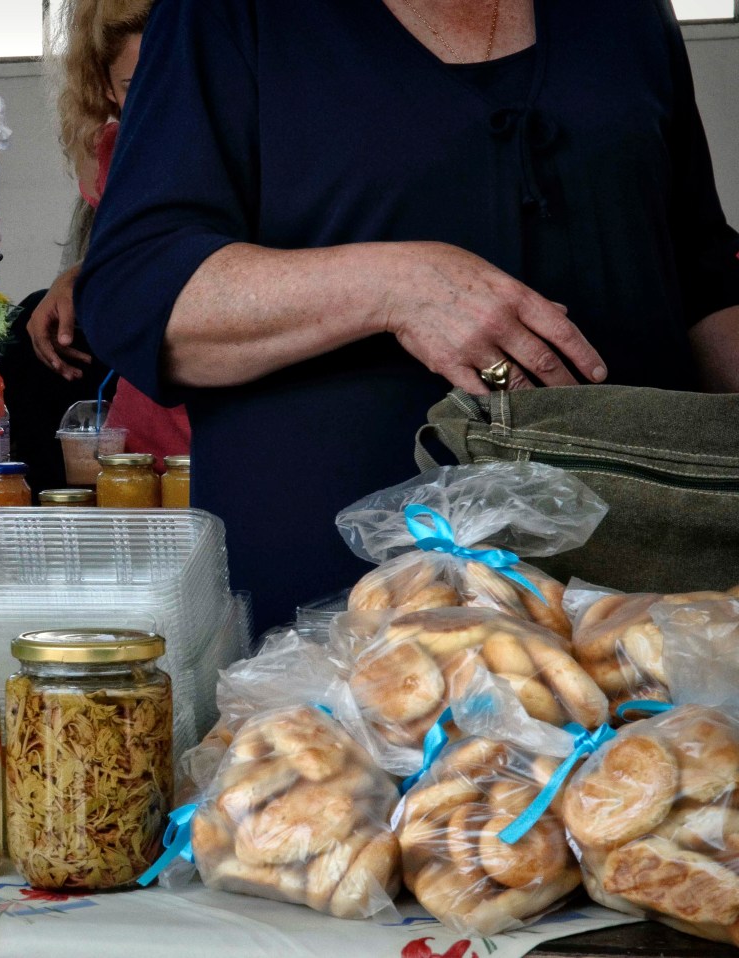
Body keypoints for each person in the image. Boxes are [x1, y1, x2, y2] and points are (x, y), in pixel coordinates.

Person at [76, 0, 739, 634]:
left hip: (635, 613)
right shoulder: (227, 15)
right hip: (340, 633)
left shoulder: (629, 11)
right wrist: (396, 287)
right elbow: (140, 290)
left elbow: (704, 279)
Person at [4, 0, 187, 494]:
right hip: (149, 395)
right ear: (105, 87)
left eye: (167, 77)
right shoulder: (113, 150)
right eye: (132, 86)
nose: (153, 100)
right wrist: (81, 274)